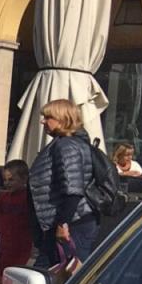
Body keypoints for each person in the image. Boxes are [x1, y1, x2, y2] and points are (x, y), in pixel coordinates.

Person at [29, 98, 98, 267]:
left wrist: (63, 223)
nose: (42, 121)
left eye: (48, 117)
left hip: (73, 224)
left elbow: (73, 189)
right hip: (65, 222)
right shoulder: (63, 144)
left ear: (62, 119)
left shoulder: (67, 146)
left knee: (64, 278)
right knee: (57, 277)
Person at [0, 159, 32, 284]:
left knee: (1, 277)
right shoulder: (4, 197)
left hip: (19, 246)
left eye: (11, 180)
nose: (7, 183)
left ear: (24, 179)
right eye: (5, 180)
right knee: (4, 278)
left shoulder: (27, 198)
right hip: (5, 244)